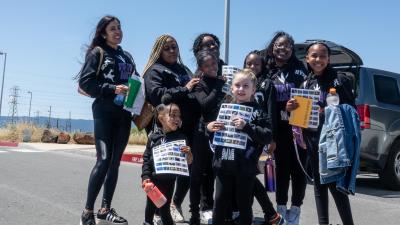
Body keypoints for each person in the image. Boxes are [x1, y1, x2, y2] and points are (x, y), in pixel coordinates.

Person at [78, 15, 138, 225]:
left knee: (114, 164)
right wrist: (113, 89)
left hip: (124, 115)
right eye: (113, 28)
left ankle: (105, 209)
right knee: (103, 160)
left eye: (119, 28)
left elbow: (136, 81)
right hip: (104, 112)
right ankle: (87, 212)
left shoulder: (127, 57)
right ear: (103, 33)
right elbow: (85, 84)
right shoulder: (98, 53)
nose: (117, 31)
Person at [207, 69, 283, 225]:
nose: (241, 89)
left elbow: (267, 135)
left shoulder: (258, 111)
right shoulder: (224, 107)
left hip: (245, 167)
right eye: (237, 85)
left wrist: (247, 127)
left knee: (244, 205)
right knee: (219, 203)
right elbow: (209, 131)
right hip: (223, 164)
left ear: (253, 90)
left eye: (246, 86)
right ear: (232, 88)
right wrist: (209, 128)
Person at [294, 42, 355, 225]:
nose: (318, 59)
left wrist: (328, 111)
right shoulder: (305, 82)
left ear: (328, 59)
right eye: (314, 55)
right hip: (312, 139)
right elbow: (300, 117)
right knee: (319, 185)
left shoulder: (339, 79)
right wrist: (293, 109)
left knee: (336, 185)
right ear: (307, 58)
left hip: (333, 141)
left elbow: (351, 110)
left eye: (322, 56)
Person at [143, 34, 200, 223]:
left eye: (174, 47)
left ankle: (174, 203)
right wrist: (184, 89)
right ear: (159, 50)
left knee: (185, 167)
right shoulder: (154, 70)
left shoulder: (184, 69)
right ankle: (156, 214)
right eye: (167, 48)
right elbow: (157, 96)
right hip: (166, 129)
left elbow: (196, 90)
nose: (172, 51)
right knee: (162, 176)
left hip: (188, 127)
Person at [264, 31, 308, 225]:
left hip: (299, 129)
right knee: (281, 171)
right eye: (278, 45)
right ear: (273, 47)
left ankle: (295, 212)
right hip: (277, 130)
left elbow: (309, 96)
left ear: (292, 48)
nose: (282, 49)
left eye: (287, 45)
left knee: (298, 172)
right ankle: (281, 210)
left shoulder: (301, 69)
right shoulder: (266, 68)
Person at [243, 51, 281, 225]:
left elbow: (272, 112)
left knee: (249, 173)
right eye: (249, 64)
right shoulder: (241, 82)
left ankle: (270, 214)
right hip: (242, 136)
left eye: (256, 64)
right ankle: (263, 213)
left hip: (258, 135)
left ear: (262, 65)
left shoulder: (267, 84)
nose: (252, 67)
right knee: (246, 175)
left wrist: (271, 138)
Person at [190, 49, 226, 225]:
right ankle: (194, 213)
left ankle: (209, 208)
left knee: (213, 172)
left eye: (214, 64)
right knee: (197, 175)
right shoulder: (199, 83)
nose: (212, 67)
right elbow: (204, 105)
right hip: (202, 133)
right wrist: (218, 87)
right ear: (201, 68)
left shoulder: (224, 81)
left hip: (220, 132)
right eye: (207, 65)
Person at [141, 103, 193, 225]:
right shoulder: (153, 137)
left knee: (164, 208)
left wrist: (189, 154)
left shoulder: (181, 138)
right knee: (150, 206)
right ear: (161, 118)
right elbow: (146, 158)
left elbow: (189, 161)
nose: (177, 119)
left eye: (179, 116)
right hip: (152, 180)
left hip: (169, 181)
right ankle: (147, 222)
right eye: (173, 115)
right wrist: (145, 177)